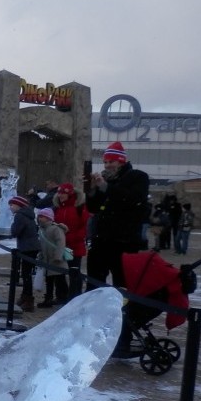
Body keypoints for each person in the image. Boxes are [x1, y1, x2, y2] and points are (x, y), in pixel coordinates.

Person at [85, 141, 150, 358]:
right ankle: (90, 330)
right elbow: (94, 208)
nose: (107, 165)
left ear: (121, 161)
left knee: (122, 289)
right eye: (105, 161)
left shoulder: (138, 177)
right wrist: (93, 190)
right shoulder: (107, 181)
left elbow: (133, 200)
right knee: (94, 285)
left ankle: (122, 337)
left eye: (111, 161)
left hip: (125, 244)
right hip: (102, 241)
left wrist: (106, 188)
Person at [52, 182, 91, 301]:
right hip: (60, 245)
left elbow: (85, 226)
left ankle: (74, 296)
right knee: (59, 272)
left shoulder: (79, 207)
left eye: (63, 193)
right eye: (59, 193)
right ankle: (62, 295)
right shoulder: (58, 207)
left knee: (74, 271)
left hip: (74, 245)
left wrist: (74, 237)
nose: (60, 195)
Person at [8, 195, 39, 312]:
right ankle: (25, 296)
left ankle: (28, 300)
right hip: (31, 246)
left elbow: (15, 231)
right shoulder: (28, 214)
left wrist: (12, 227)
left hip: (27, 247)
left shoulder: (20, 216)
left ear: (18, 205)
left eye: (12, 205)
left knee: (26, 275)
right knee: (26, 274)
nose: (10, 207)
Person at [36, 208, 69, 308]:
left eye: (42, 217)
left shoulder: (56, 229)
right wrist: (40, 255)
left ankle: (63, 298)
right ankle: (48, 299)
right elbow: (41, 244)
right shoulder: (41, 229)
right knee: (49, 281)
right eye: (39, 216)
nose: (39, 219)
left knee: (60, 280)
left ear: (48, 218)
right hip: (47, 260)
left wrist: (58, 256)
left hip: (57, 260)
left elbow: (60, 243)